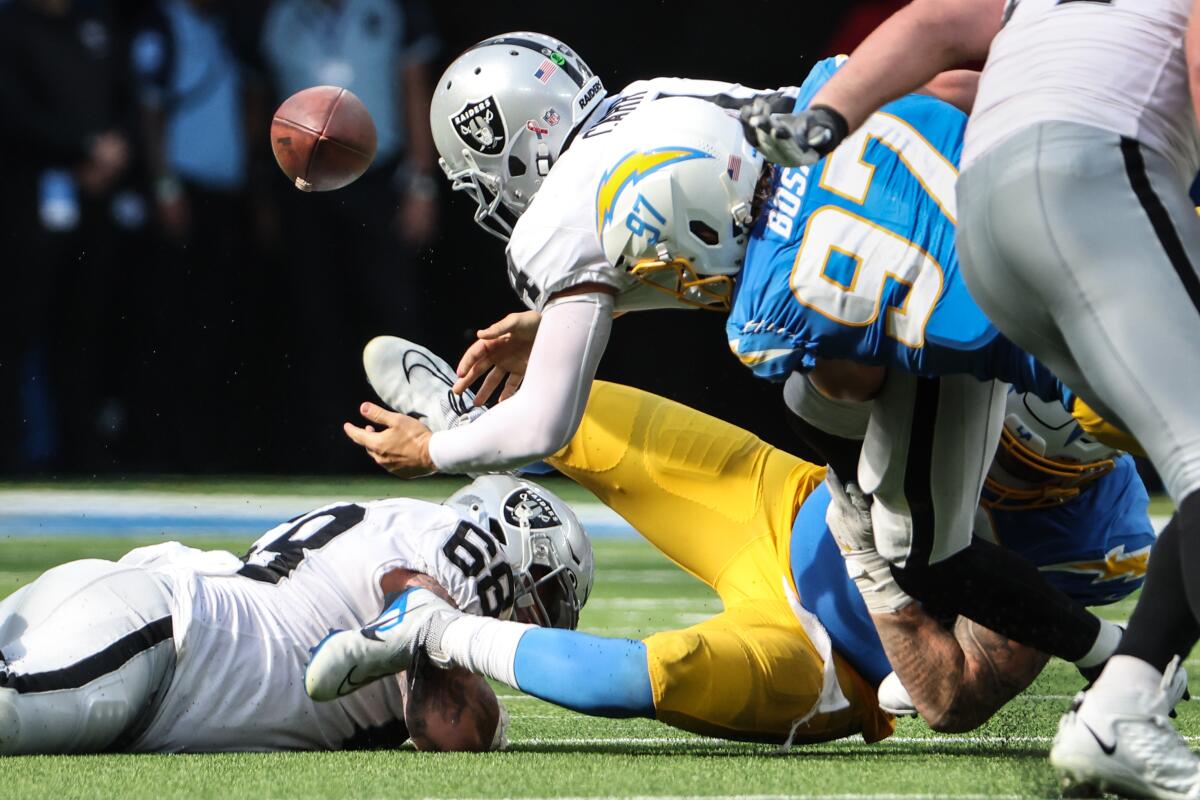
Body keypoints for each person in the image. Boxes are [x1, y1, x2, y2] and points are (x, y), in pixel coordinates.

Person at [739, 2, 1200, 795]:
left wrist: (828, 115)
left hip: (982, 220)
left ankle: (1124, 690)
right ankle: (1121, 705)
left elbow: (934, 31)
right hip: (1090, 183)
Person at [309, 337, 1161, 745]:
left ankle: (428, 628)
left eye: (1010, 455)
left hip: (829, 657)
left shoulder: (1096, 543)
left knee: (655, 674)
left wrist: (875, 561)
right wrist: (576, 318)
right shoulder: (981, 331)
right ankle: (468, 422)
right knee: (577, 414)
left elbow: (947, 699)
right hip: (787, 503)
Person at [0, 476, 591, 754]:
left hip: (138, 615)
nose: (548, 618)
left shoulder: (402, 519)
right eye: (551, 594)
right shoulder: (460, 553)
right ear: (515, 551)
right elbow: (451, 728)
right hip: (166, 645)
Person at [258, 0, 442, 470]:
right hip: (302, 187)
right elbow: (254, 98)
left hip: (377, 180)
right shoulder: (278, 16)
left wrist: (422, 181)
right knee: (314, 315)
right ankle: (326, 452)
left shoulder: (389, 10)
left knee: (392, 313)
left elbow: (414, 86)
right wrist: (260, 193)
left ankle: (417, 445)